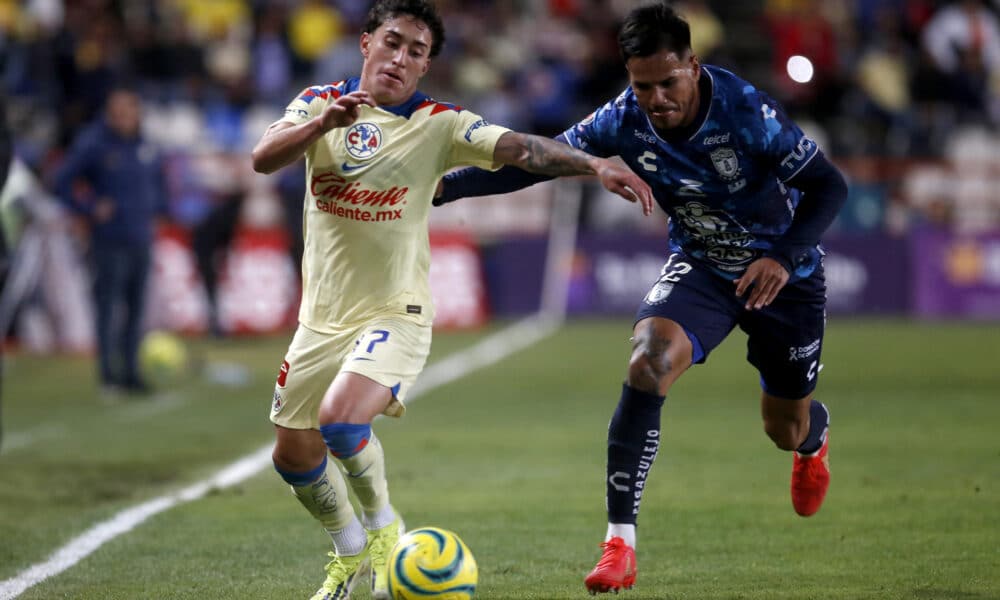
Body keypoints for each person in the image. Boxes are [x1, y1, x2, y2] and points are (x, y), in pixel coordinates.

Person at [435, 2, 847, 594]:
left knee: (783, 427)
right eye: (642, 84)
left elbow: (828, 185)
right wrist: (446, 187)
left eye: (667, 82)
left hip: (785, 276)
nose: (656, 98)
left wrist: (782, 257)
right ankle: (619, 545)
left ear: (693, 66)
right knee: (647, 360)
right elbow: (538, 162)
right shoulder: (623, 117)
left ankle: (813, 437)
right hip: (702, 266)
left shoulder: (746, 112)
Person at [249, 2, 653, 599]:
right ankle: (350, 549)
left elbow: (521, 149)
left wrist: (594, 165)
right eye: (393, 42)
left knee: (339, 420)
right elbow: (263, 159)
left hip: (397, 311)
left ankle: (386, 531)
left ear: (425, 66)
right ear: (366, 44)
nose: (401, 57)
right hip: (320, 319)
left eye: (417, 51)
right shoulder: (316, 102)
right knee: (291, 454)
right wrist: (322, 126)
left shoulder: (438, 123)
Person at [55, 87, 168, 396]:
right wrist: (89, 209)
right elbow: (62, 179)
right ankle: (108, 375)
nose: (123, 117)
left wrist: (158, 209)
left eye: (128, 111)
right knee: (108, 307)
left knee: (136, 309)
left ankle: (131, 373)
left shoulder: (146, 143)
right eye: (117, 111)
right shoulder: (93, 143)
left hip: (140, 238)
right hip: (109, 240)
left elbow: (157, 182)